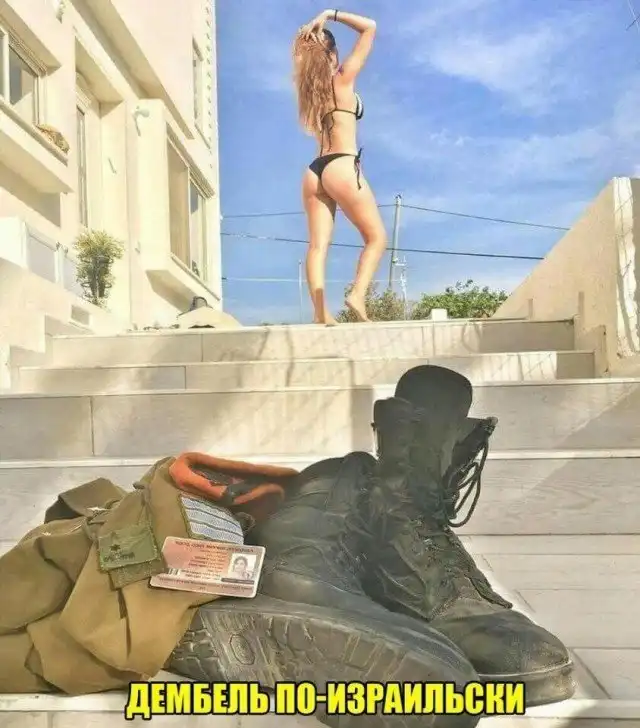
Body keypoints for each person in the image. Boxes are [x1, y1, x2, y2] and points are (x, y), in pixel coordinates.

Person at [293, 9, 387, 325]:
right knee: (376, 237)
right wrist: (329, 14)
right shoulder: (342, 81)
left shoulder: (308, 95)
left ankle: (320, 312)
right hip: (342, 165)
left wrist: (308, 37)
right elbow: (369, 27)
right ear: (332, 53)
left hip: (314, 171)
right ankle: (357, 295)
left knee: (317, 246)